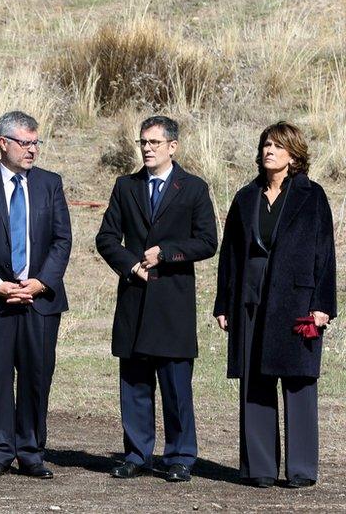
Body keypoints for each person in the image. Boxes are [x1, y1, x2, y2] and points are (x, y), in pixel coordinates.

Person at [213, 121, 337, 488]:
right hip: (251, 298)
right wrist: (224, 302)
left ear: (294, 155)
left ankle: (301, 470)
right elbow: (230, 255)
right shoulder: (245, 197)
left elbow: (325, 254)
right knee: (254, 381)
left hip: (297, 300)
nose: (269, 150)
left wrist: (323, 304)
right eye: (266, 144)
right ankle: (259, 468)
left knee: (299, 383)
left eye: (278, 146)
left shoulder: (312, 196)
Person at [95, 115, 218, 483]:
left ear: (172, 147)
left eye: (154, 143)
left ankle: (180, 456)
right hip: (134, 300)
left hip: (172, 304)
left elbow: (208, 242)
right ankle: (136, 454)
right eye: (142, 143)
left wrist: (166, 252)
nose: (147, 149)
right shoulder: (125, 186)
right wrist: (132, 265)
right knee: (134, 385)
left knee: (176, 387)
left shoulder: (193, 188)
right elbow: (105, 238)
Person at [0, 111, 72, 479]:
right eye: (25, 142)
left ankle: (32, 452)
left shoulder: (50, 184)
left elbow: (61, 240)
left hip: (40, 299)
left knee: (38, 376)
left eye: (36, 142)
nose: (32, 150)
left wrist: (41, 281)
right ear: (3, 143)